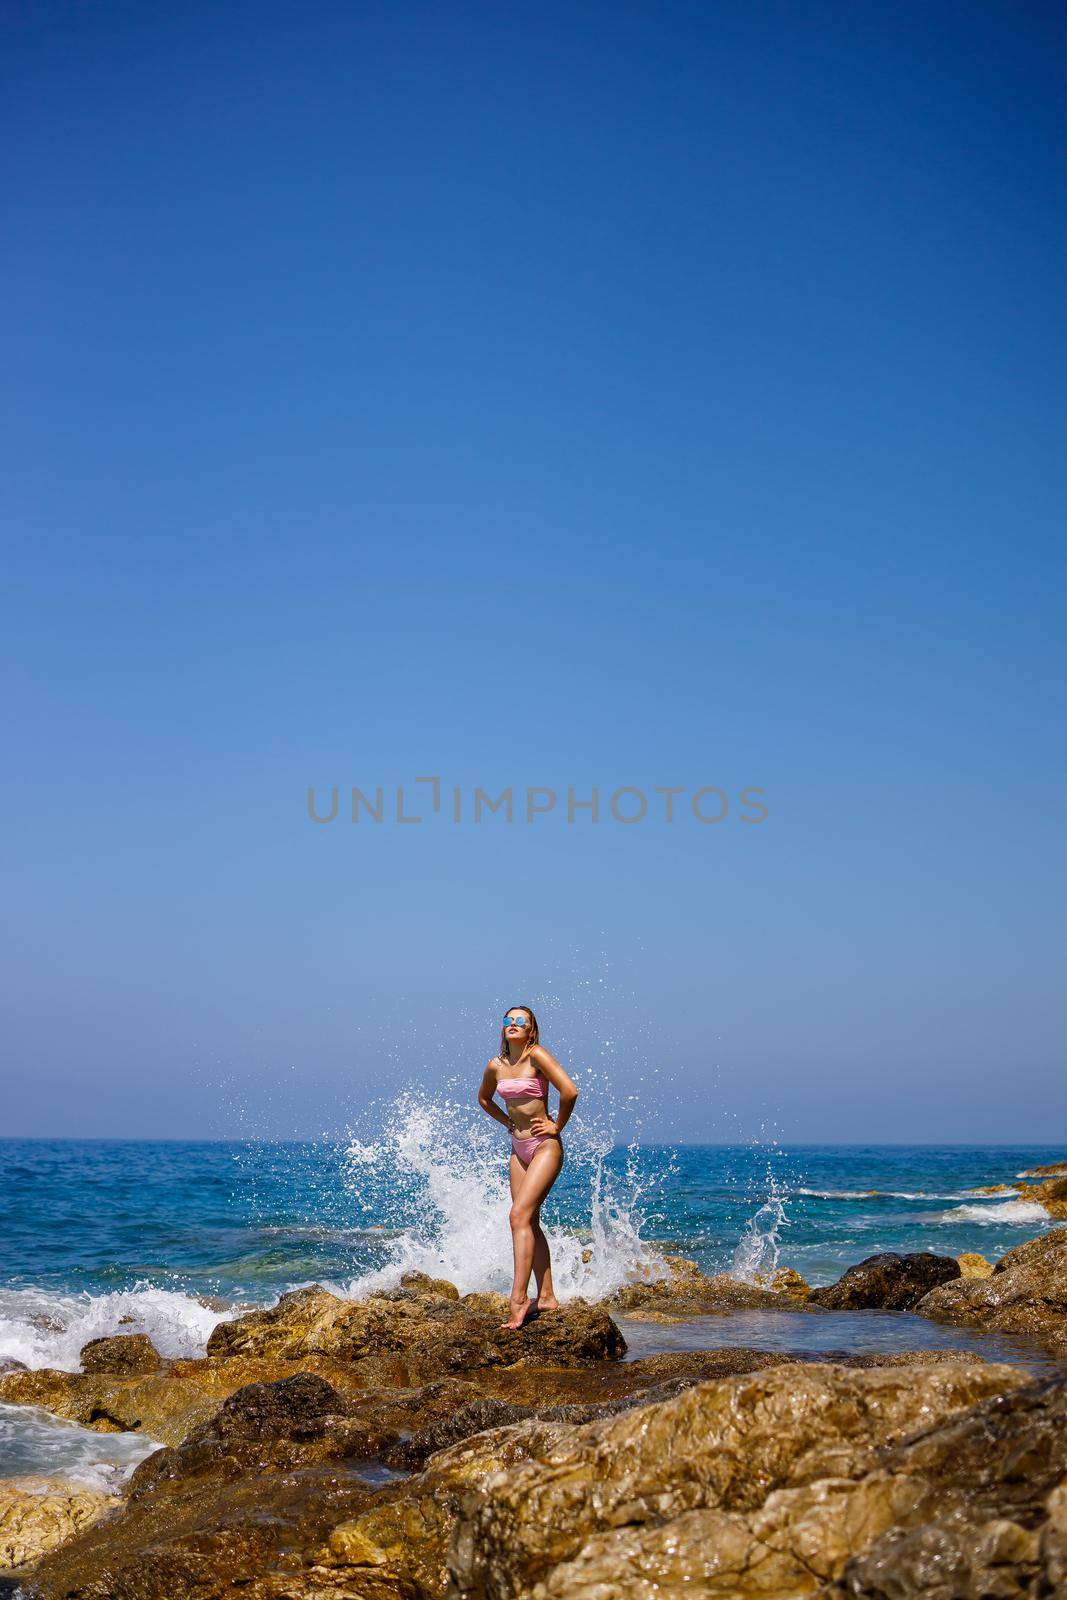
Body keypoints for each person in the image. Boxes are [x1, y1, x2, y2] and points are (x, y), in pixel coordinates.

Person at [478, 1005, 579, 1330]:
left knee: (517, 1216)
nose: (513, 1024)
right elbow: (484, 1099)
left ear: (531, 1030)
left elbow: (569, 1091)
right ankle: (546, 1296)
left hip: (544, 1147)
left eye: (521, 1021)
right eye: (508, 1020)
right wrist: (507, 1122)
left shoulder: (537, 1056)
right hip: (517, 1150)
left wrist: (556, 1127)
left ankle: (519, 1299)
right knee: (529, 1220)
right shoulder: (496, 1066)